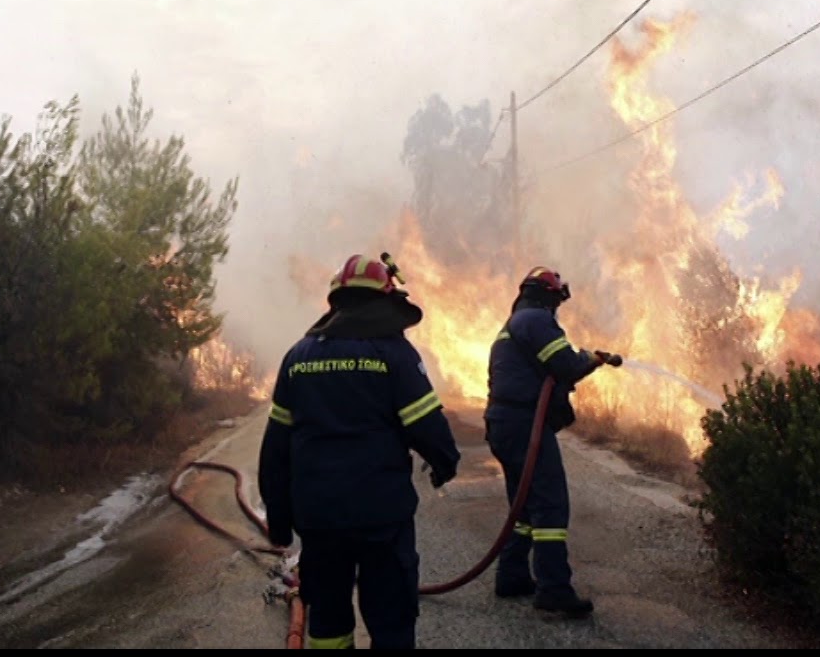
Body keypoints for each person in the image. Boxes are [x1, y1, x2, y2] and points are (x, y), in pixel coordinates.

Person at [258, 253, 461, 650]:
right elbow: (426, 425)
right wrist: (445, 461)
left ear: (337, 301)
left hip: (319, 519)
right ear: (383, 299)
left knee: (329, 620)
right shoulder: (394, 354)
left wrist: (279, 520)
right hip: (380, 516)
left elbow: (275, 448)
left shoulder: (299, 358)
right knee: (391, 618)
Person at [483, 266, 618, 618]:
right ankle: (554, 589)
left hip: (504, 422)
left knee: (524, 503)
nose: (558, 307)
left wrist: (586, 361)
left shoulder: (514, 324)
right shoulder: (537, 321)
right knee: (550, 503)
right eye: (557, 299)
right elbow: (565, 366)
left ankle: (511, 576)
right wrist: (590, 359)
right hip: (524, 423)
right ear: (548, 296)